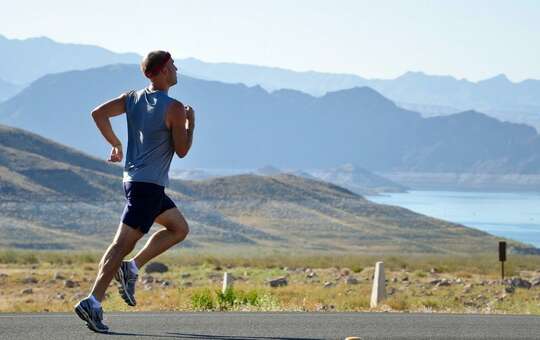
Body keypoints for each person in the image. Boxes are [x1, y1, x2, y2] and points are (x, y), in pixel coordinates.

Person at [74, 50, 194, 333]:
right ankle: (93, 300)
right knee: (120, 245)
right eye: (174, 66)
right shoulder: (174, 108)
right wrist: (191, 123)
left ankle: (131, 267)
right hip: (148, 187)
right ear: (164, 70)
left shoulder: (132, 98)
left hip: (136, 182)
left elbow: (98, 113)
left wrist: (116, 144)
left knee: (179, 228)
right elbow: (182, 150)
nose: (177, 70)